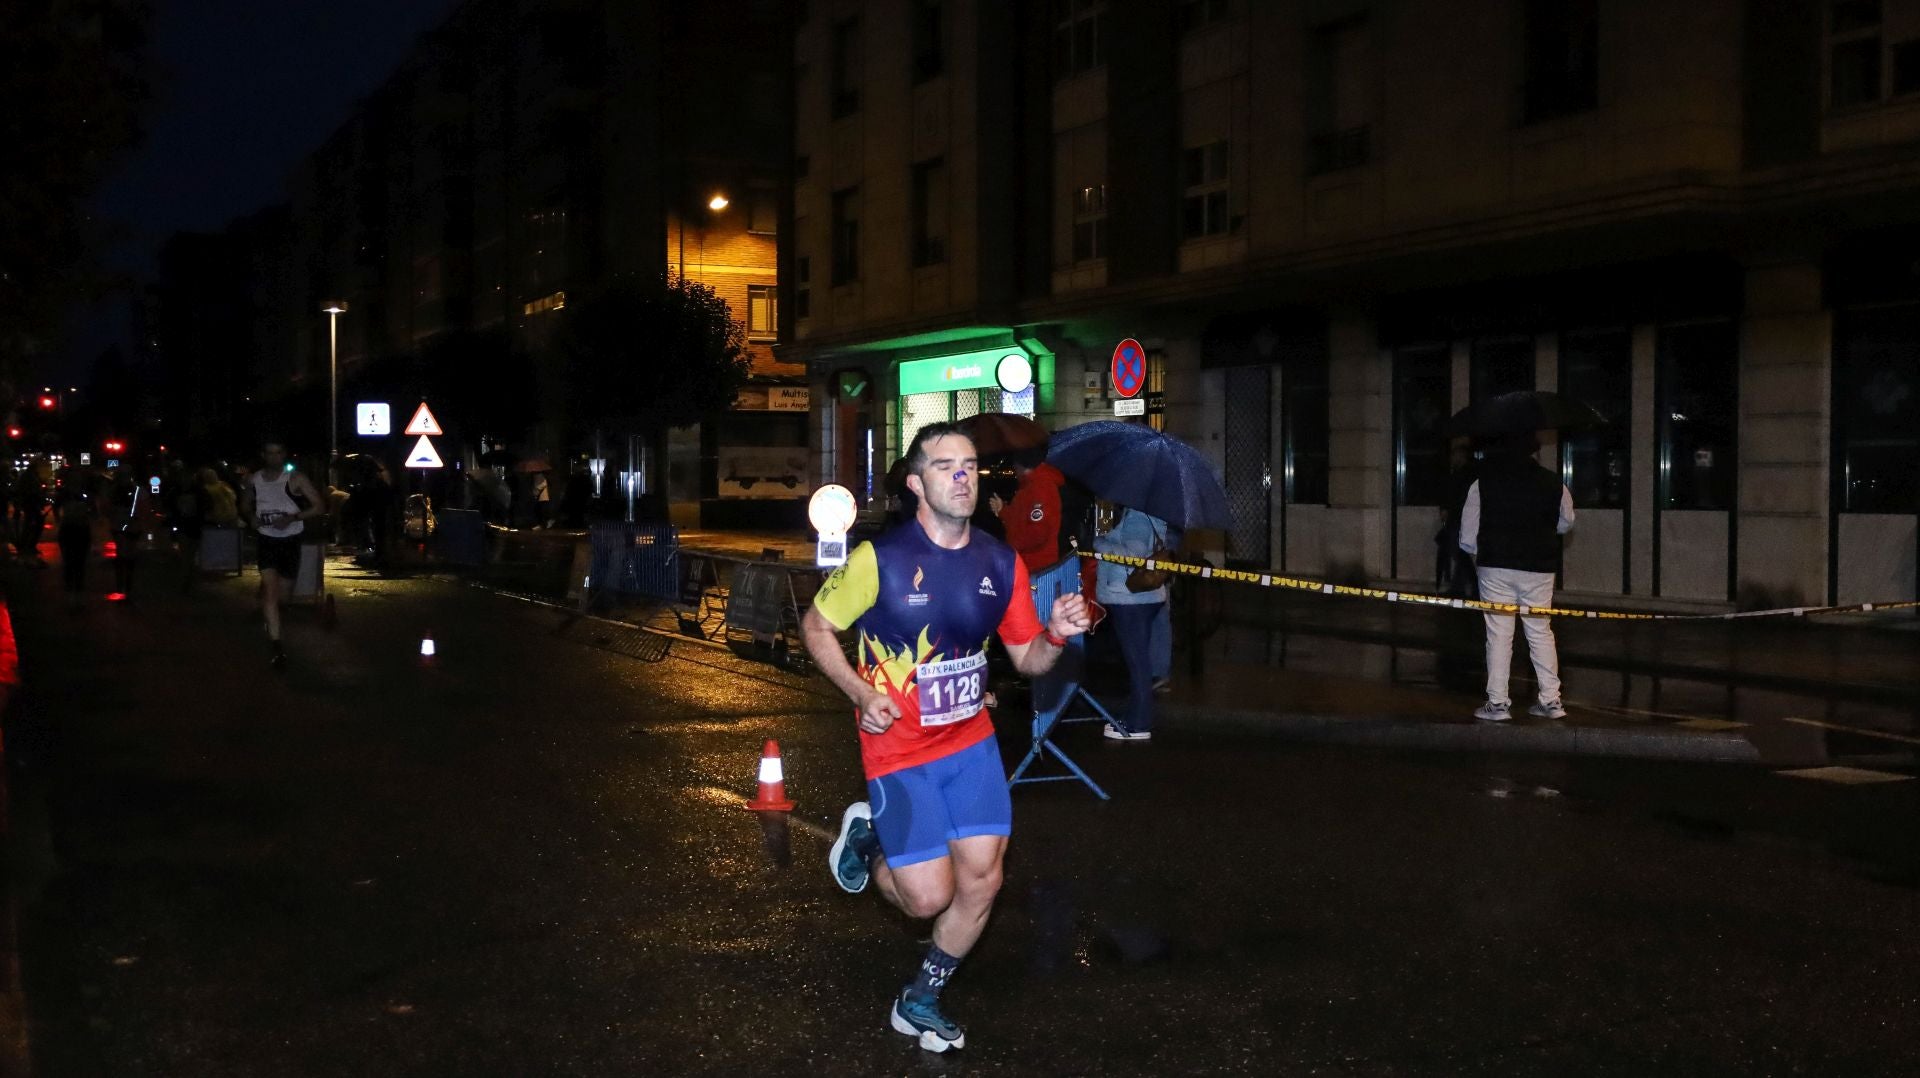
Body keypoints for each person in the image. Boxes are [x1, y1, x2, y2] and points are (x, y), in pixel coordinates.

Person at [802, 422, 1091, 1054]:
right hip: (898, 752)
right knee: (926, 900)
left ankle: (921, 999)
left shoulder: (1000, 561)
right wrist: (859, 693)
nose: (963, 476)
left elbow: (1028, 659)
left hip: (971, 746)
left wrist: (1057, 634)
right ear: (916, 483)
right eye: (944, 466)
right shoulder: (880, 560)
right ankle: (872, 834)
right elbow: (816, 627)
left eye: (969, 465)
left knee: (983, 882)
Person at [1458, 430, 1576, 722]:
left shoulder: (1481, 484)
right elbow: (1566, 523)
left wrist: (1481, 557)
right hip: (1539, 568)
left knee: (1499, 633)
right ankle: (1551, 700)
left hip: (1495, 566)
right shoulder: (1554, 482)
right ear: (1534, 452)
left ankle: (1497, 704)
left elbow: (1467, 538)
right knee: (1540, 631)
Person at [240, 442, 325, 669]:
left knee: (284, 595)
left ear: (284, 455)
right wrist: (251, 518)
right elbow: (245, 504)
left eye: (278, 453)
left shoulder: (295, 478)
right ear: (263, 455)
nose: (274, 457)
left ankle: (273, 615)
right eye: (269, 453)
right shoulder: (254, 480)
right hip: (266, 539)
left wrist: (293, 518)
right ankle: (277, 646)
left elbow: (319, 506)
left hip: (290, 539)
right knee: (270, 591)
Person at [1092, 505, 1170, 741]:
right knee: (1139, 662)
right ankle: (1136, 715)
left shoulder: (1137, 517)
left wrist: (1100, 543)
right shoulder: (1152, 515)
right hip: (1143, 597)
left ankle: (1138, 724)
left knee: (1137, 664)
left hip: (1129, 598)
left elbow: (1133, 554)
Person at [989, 448, 1069, 572]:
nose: (1014, 469)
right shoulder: (1030, 486)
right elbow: (1022, 520)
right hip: (1029, 565)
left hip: (1036, 569)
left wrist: (1009, 546)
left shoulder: (1041, 487)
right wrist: (1003, 511)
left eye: (1015, 465)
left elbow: (1037, 534)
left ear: (1022, 466)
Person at [55, 487, 94, 603]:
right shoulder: (69, 495)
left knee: (76, 561)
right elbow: (94, 512)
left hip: (76, 528)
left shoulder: (68, 494)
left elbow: (94, 511)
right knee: (74, 561)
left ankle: (74, 591)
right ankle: (74, 591)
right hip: (73, 528)